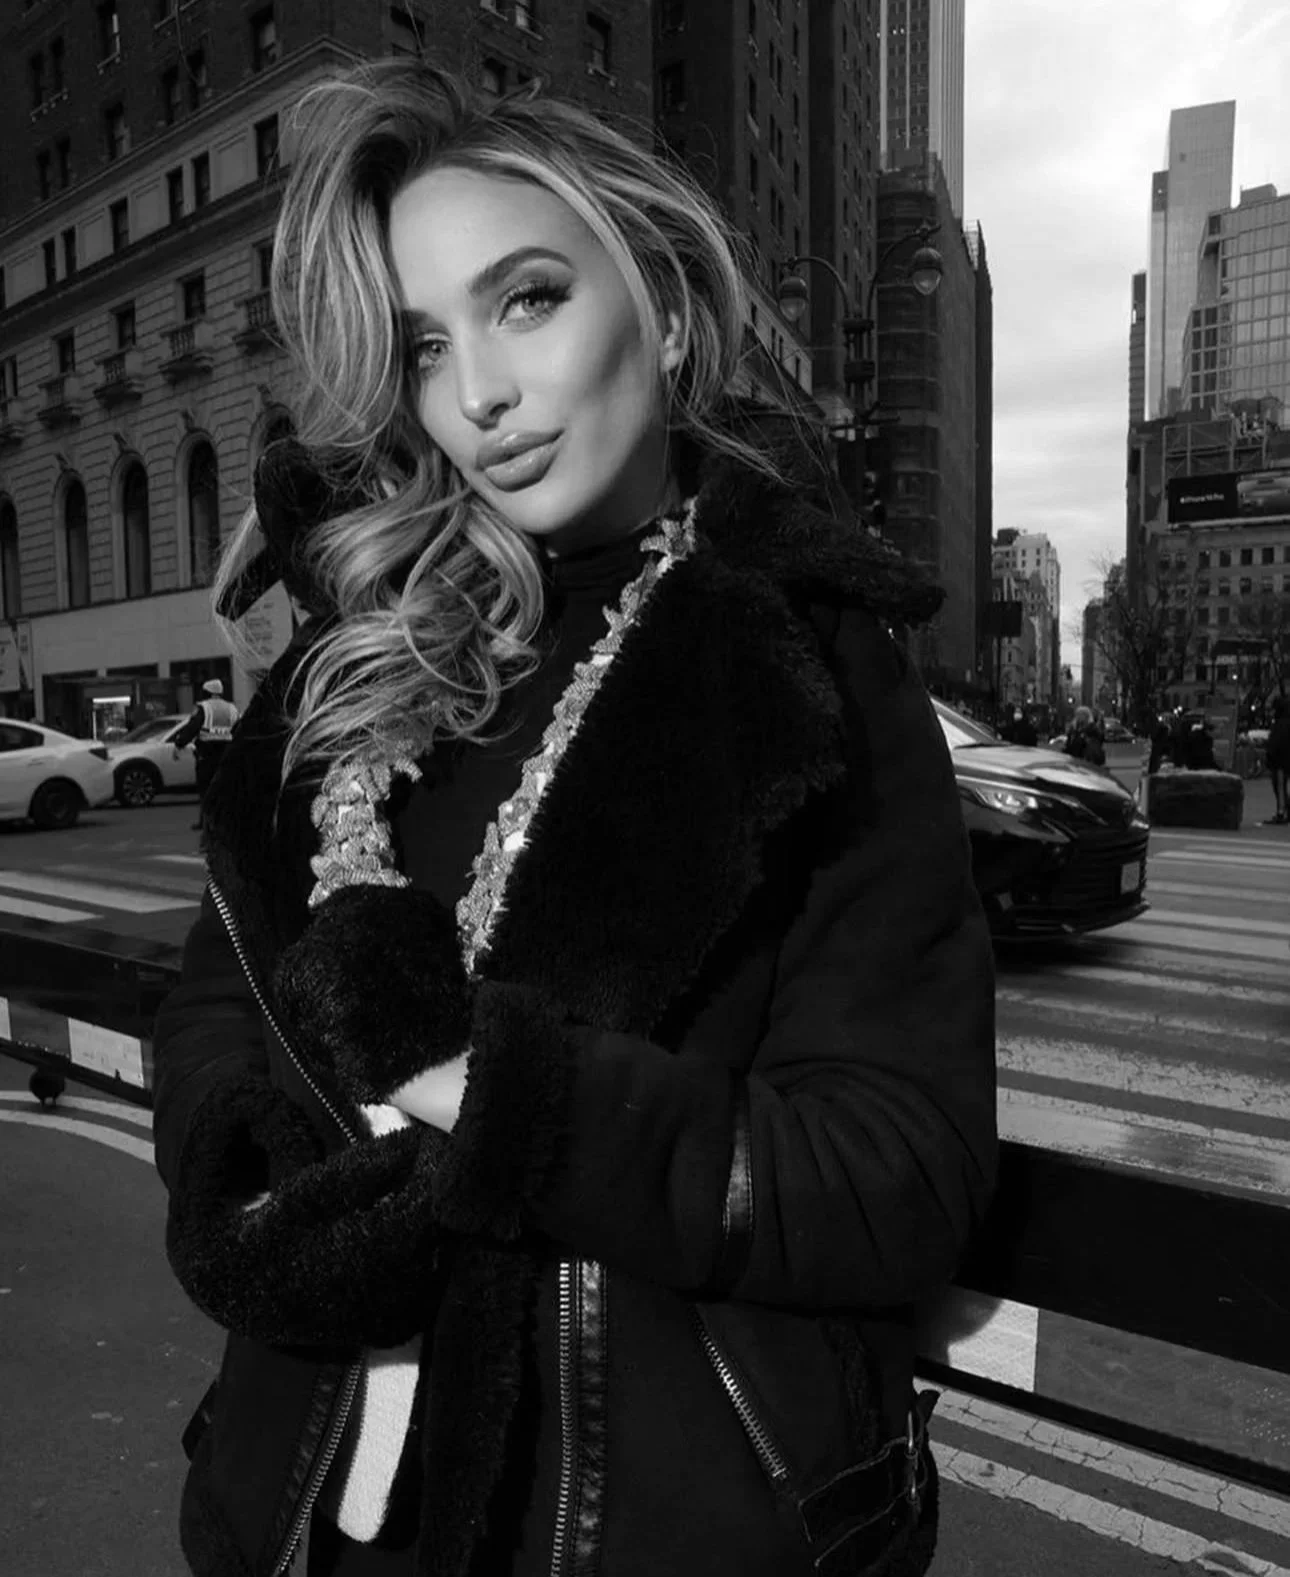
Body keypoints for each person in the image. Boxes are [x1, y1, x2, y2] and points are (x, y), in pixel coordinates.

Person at [151, 60, 997, 1577]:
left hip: (645, 1526)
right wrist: (254, 1197)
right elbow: (218, 1007)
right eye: (423, 345)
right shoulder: (353, 662)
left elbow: (898, 1168)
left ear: (661, 309)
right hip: (304, 1519)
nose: (475, 393)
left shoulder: (804, 663)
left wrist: (494, 1090)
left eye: (526, 299)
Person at [171, 677, 241, 829]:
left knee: (206, 789)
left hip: (207, 754)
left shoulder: (203, 707)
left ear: (207, 692)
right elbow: (240, 730)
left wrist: (179, 744)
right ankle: (225, 822)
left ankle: (206, 822)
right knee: (225, 789)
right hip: (227, 754)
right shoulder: (232, 708)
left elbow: (192, 727)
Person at [1264, 695, 1290, 824]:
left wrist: (1269, 756)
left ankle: (1281, 813)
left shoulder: (1280, 724)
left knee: (1280, 787)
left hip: (1280, 761)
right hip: (1285, 759)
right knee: (1282, 787)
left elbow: (1275, 743)